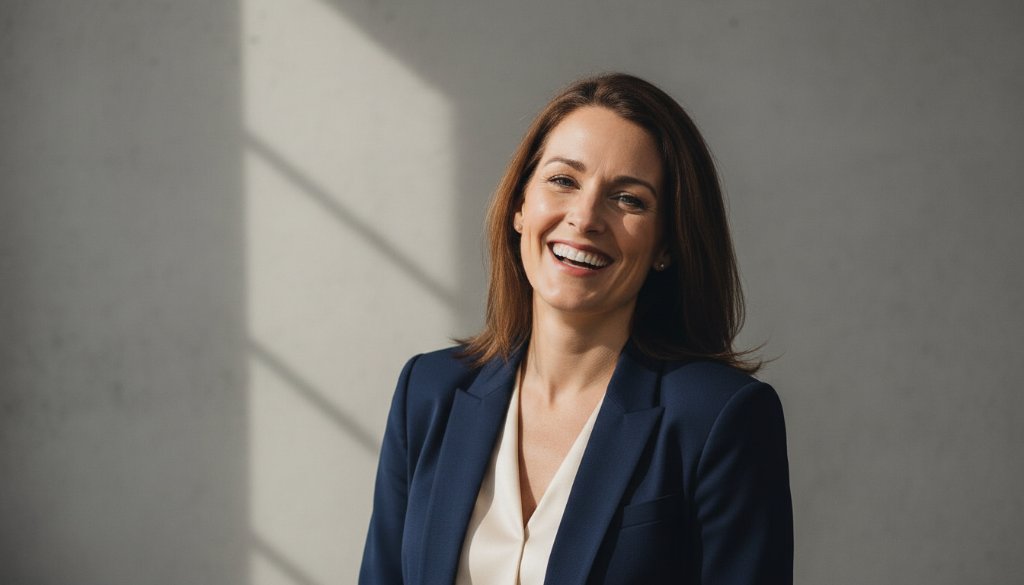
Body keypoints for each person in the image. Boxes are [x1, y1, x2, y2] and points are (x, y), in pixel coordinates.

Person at [359, 73, 793, 584]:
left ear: (666, 246)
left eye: (629, 199)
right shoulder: (428, 393)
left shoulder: (718, 418)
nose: (585, 217)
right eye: (563, 181)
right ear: (521, 206)